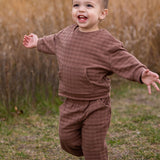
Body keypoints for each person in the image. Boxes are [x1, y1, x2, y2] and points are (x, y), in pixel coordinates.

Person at [23, 0, 160, 159]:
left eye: (89, 5)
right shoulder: (65, 35)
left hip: (96, 104)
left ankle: (93, 152)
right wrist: (37, 42)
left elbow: (123, 59)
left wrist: (141, 73)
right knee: (66, 140)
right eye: (76, 5)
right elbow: (51, 41)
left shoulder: (105, 42)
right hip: (71, 103)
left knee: (93, 148)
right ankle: (89, 151)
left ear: (103, 13)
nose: (81, 9)